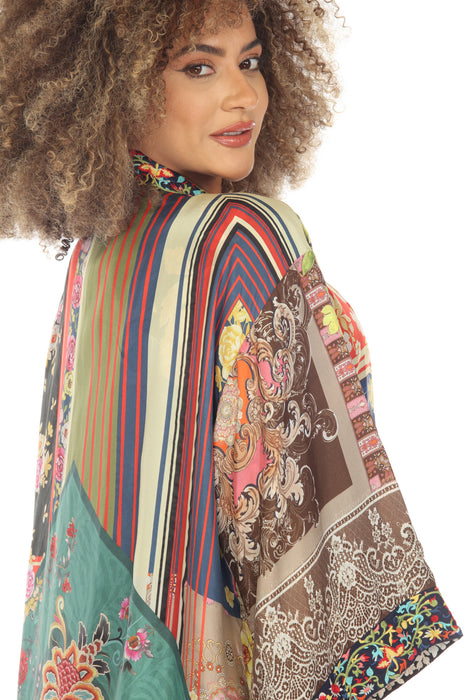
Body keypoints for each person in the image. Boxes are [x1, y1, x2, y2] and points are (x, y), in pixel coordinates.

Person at [0, 1, 462, 698]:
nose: (243, 95)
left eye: (249, 61)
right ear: (112, 83)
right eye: (198, 67)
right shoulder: (240, 237)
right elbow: (290, 535)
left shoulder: (96, 256)